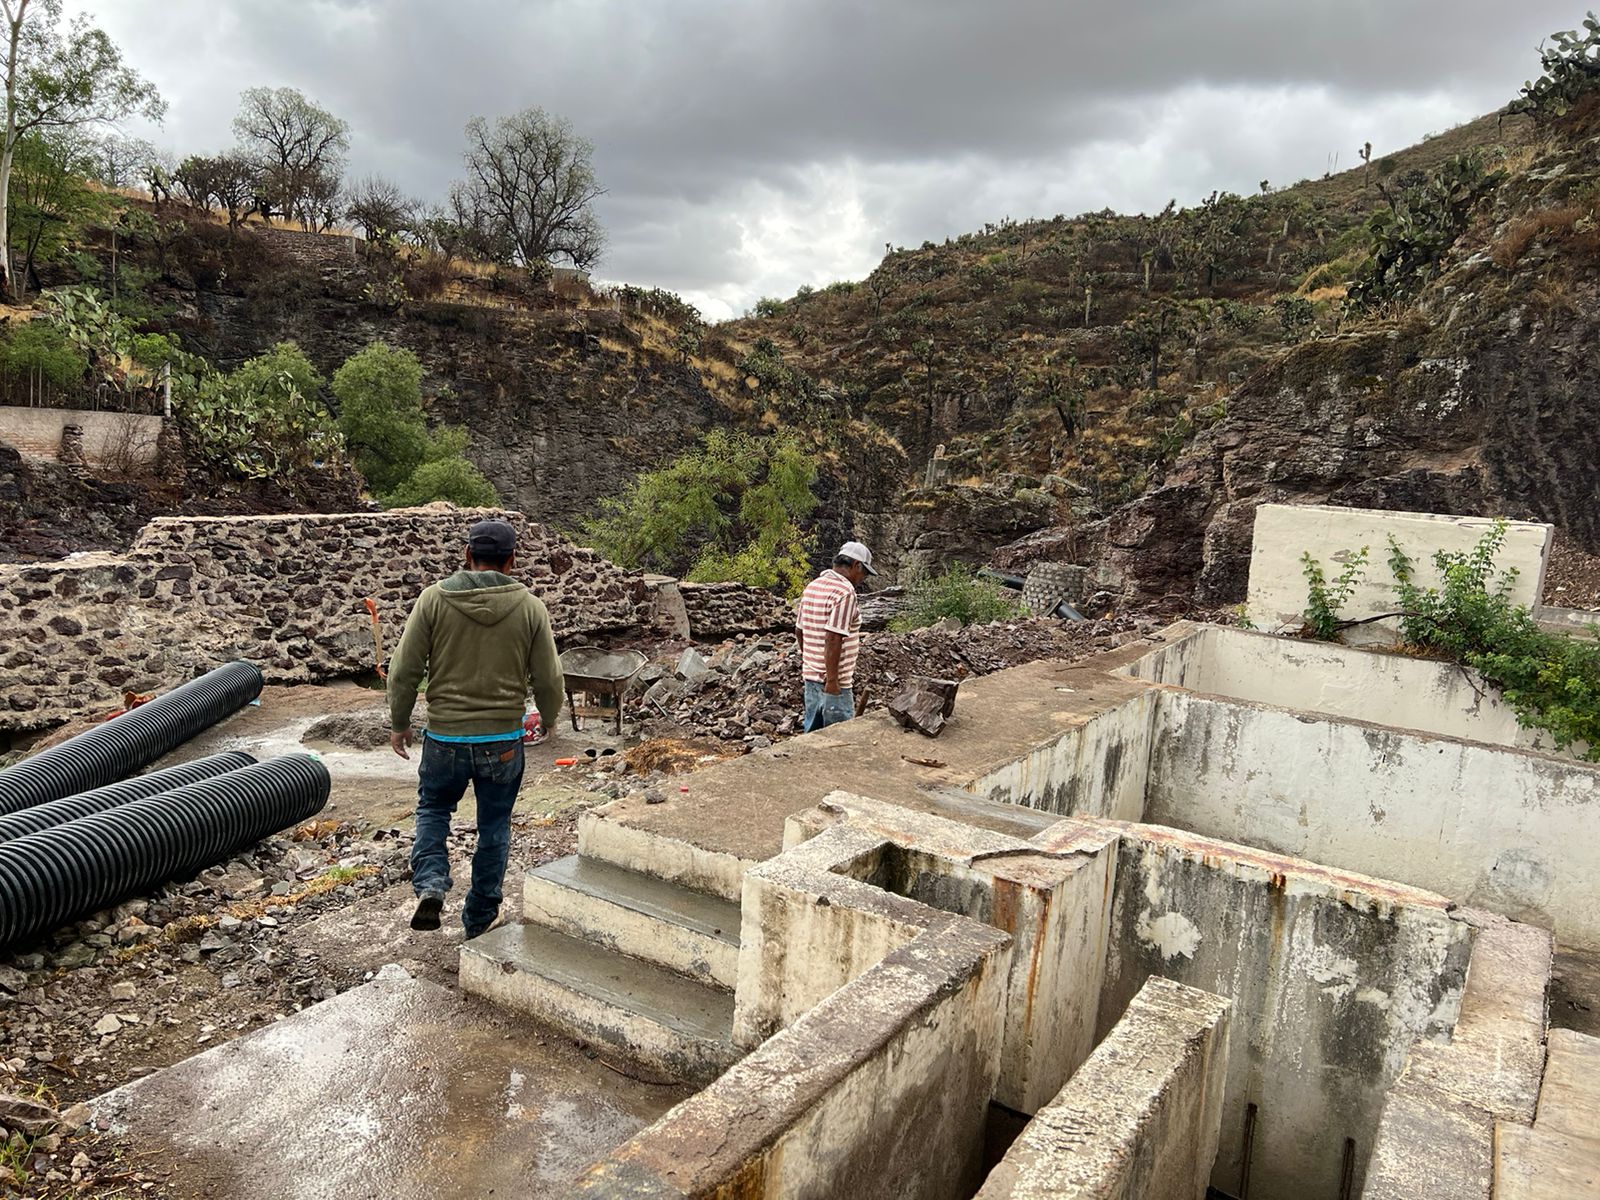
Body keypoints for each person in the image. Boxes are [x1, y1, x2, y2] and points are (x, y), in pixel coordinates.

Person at [387, 519, 564, 938]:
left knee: (433, 809)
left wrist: (399, 724)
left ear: (467, 556)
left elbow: (403, 670)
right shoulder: (530, 607)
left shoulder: (433, 600)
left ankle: (431, 884)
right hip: (502, 740)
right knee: (494, 825)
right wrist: (550, 719)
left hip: (444, 737)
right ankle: (480, 916)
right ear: (512, 560)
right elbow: (549, 679)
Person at [795, 541, 876, 732]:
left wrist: (811, 662)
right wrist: (832, 681)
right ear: (856, 565)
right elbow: (833, 638)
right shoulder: (845, 593)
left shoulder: (813, 587)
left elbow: (799, 631)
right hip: (834, 683)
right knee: (839, 740)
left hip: (811, 678)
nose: (862, 578)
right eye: (864, 573)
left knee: (812, 738)